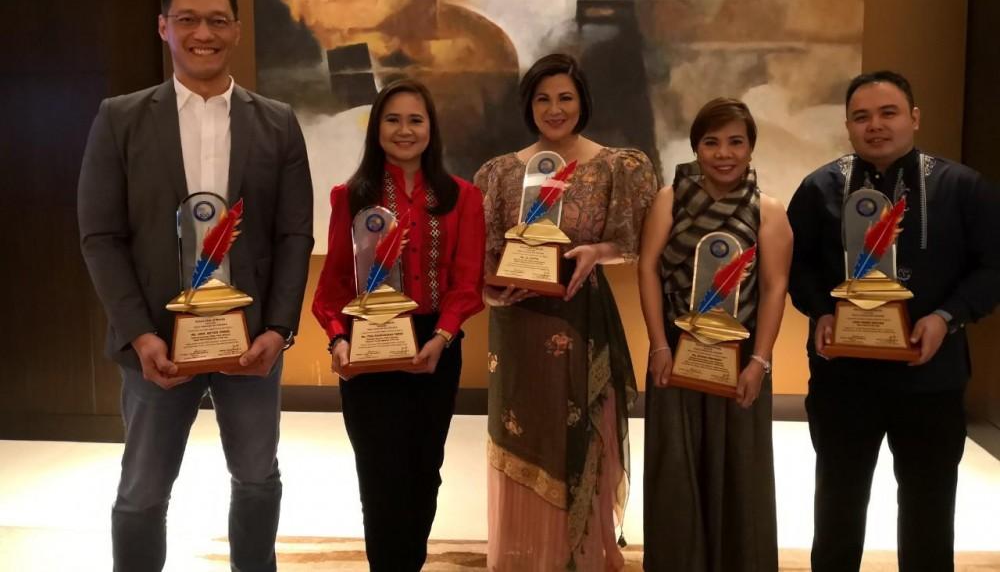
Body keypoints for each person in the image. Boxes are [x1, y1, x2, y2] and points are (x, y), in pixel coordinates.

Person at [77, 0, 314, 572]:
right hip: (157, 344)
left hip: (252, 342)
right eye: (186, 19)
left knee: (258, 478)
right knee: (143, 490)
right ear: (164, 28)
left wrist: (278, 329)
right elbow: (101, 236)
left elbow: (293, 235)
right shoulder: (120, 118)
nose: (201, 33)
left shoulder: (278, 122)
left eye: (216, 20)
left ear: (235, 30)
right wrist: (139, 333)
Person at [787, 70, 1000, 572]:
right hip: (844, 379)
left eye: (889, 113)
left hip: (932, 377)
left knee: (928, 509)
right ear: (847, 125)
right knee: (837, 506)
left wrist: (947, 317)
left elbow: (994, 266)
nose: (875, 126)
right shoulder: (820, 188)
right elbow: (794, 267)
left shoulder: (962, 187)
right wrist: (818, 311)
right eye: (862, 116)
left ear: (914, 118)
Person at [474, 53, 657, 571]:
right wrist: (490, 294)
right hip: (517, 328)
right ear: (528, 105)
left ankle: (581, 558)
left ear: (583, 103)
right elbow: (484, 260)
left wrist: (598, 252)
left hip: (581, 321)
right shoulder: (500, 174)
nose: (554, 109)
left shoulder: (616, 166)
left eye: (565, 98)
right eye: (543, 98)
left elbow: (634, 242)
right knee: (520, 437)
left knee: (585, 438)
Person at [312, 78, 485, 572]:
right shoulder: (350, 196)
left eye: (415, 119)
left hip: (436, 346)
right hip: (367, 349)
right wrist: (338, 340)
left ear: (431, 128)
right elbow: (335, 285)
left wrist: (442, 336)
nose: (404, 130)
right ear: (376, 128)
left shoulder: (463, 197)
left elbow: (468, 281)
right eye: (393, 119)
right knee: (379, 474)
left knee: (424, 472)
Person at [637, 97, 792, 571]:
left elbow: (774, 287)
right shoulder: (670, 198)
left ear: (750, 148)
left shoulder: (769, 211)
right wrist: (659, 345)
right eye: (711, 142)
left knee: (740, 472)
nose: (723, 153)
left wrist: (759, 362)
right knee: (675, 472)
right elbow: (647, 268)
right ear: (696, 147)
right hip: (675, 353)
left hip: (739, 359)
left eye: (735, 142)